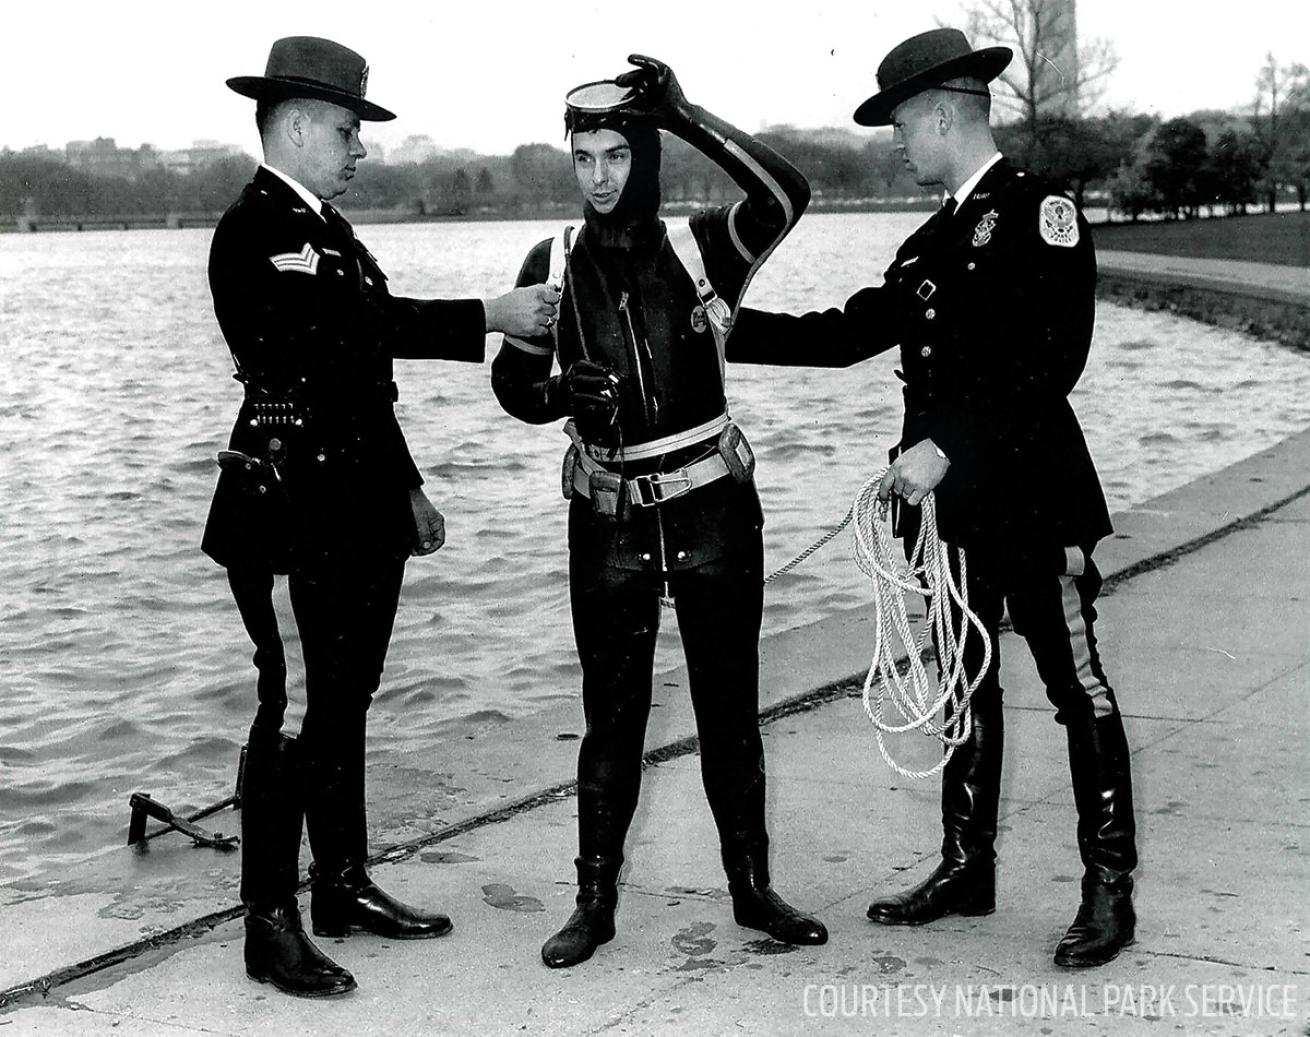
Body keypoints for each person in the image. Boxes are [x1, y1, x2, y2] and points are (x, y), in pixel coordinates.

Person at [729, 28, 1138, 968]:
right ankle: (967, 865)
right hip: (950, 518)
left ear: (943, 114)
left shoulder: (1044, 213)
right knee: (965, 685)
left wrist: (946, 446)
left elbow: (1050, 361)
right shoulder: (928, 242)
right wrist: (722, 329)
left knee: (1077, 688)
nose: (898, 146)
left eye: (903, 127)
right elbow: (842, 335)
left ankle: (1108, 890)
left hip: (1032, 501)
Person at [204, 36, 558, 998]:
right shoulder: (253, 232)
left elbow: (364, 383)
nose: (362, 149)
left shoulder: (329, 231)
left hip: (356, 502)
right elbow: (350, 335)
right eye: (352, 131)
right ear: (300, 126)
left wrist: (407, 487)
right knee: (289, 713)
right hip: (283, 511)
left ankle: (343, 884)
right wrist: (490, 310)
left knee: (346, 696)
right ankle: (267, 923)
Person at [490, 55, 828, 969]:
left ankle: (753, 890)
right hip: (608, 515)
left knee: (730, 711)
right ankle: (593, 904)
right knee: (613, 717)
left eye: (616, 155)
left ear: (645, 156)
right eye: (583, 158)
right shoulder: (551, 264)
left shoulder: (701, 245)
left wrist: (684, 113)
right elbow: (511, 383)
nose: (600, 176)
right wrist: (564, 391)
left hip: (713, 505)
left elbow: (788, 194)